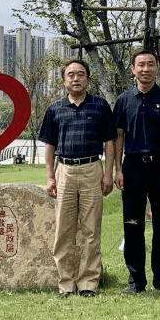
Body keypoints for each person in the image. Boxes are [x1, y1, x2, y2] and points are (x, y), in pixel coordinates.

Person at [40, 59, 115, 298]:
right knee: (64, 230)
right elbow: (50, 145)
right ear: (64, 80)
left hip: (93, 168)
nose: (76, 78)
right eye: (70, 74)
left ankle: (88, 283)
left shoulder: (100, 106)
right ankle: (65, 283)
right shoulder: (55, 108)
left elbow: (110, 142)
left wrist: (108, 173)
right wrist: (50, 177)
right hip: (65, 171)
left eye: (81, 74)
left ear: (87, 79)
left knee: (91, 230)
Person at [112, 50, 160, 294]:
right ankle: (136, 281)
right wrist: (117, 169)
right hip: (132, 167)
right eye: (141, 64)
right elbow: (118, 136)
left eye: (150, 64)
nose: (146, 69)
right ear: (133, 69)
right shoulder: (123, 100)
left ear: (156, 68)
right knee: (132, 226)